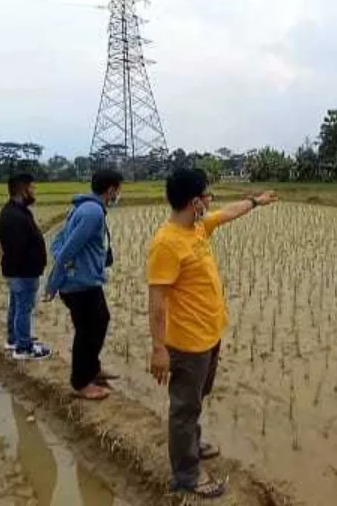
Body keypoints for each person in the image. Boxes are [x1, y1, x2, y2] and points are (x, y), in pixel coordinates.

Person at [146, 168, 277, 499]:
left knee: (195, 400)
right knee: (183, 408)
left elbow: (228, 213)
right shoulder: (167, 243)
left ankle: (192, 443)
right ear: (194, 202)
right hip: (187, 344)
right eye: (207, 196)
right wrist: (159, 349)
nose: (210, 201)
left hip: (209, 336)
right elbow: (157, 302)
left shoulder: (198, 227)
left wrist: (255, 201)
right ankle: (187, 473)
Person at [46, 169, 124, 401]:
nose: (120, 193)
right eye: (119, 189)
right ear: (111, 190)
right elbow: (68, 248)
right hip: (79, 284)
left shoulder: (85, 207)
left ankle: (93, 369)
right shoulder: (92, 212)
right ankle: (80, 382)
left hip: (85, 281)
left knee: (99, 322)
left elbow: (60, 240)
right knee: (87, 330)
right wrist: (53, 283)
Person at [0, 174, 51, 361]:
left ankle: (15, 339)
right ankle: (23, 347)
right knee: (23, 309)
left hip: (17, 271)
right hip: (22, 272)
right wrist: (33, 265)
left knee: (16, 306)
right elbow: (18, 248)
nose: (33, 192)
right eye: (32, 188)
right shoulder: (14, 215)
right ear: (22, 189)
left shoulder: (15, 211)